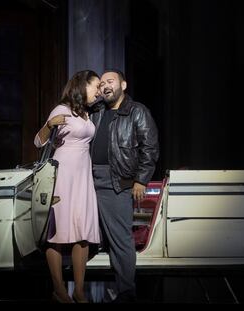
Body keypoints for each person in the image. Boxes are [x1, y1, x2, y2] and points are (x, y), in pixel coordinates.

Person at [90, 69, 159, 302]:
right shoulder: (96, 111)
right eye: (102, 83)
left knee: (120, 238)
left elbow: (150, 148)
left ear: (123, 84)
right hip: (88, 180)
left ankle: (127, 292)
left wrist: (141, 179)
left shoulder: (137, 111)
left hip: (117, 180)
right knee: (87, 235)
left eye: (110, 81)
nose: (105, 86)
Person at [34, 70, 101, 303]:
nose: (99, 90)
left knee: (82, 232)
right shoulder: (61, 109)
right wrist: (50, 125)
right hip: (63, 173)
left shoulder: (86, 113)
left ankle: (80, 291)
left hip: (82, 174)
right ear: (83, 86)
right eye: (96, 86)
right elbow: (38, 141)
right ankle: (59, 289)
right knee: (59, 232)